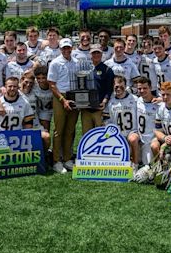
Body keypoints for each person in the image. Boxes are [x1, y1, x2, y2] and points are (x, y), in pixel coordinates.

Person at [48, 38, 80, 174]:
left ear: (72, 48)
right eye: (64, 48)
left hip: (74, 96)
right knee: (59, 130)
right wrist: (63, 100)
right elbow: (52, 84)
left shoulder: (77, 62)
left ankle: (67, 158)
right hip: (60, 96)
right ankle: (56, 160)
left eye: (68, 48)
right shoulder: (55, 63)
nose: (66, 50)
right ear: (60, 49)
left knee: (70, 130)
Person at [103, 76, 142, 170]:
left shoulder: (135, 99)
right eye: (116, 86)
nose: (118, 88)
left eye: (121, 86)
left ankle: (135, 165)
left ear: (126, 86)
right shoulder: (111, 102)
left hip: (132, 132)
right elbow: (107, 120)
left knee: (133, 139)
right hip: (118, 135)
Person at [80, 44, 114, 134]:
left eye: (98, 53)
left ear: (101, 54)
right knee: (87, 135)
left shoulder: (107, 70)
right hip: (86, 108)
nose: (96, 55)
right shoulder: (85, 69)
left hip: (99, 108)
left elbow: (109, 89)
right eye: (93, 53)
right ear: (90, 54)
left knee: (101, 135)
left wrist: (104, 101)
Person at [135, 77, 159, 167]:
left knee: (148, 166)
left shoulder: (158, 104)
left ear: (150, 88)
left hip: (150, 140)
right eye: (139, 88)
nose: (142, 90)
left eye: (145, 88)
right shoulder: (137, 100)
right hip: (139, 139)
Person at [33, 66, 54, 132]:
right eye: (38, 78)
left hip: (53, 109)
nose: (41, 80)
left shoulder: (53, 85)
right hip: (42, 110)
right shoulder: (34, 85)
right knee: (44, 129)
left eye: (44, 78)